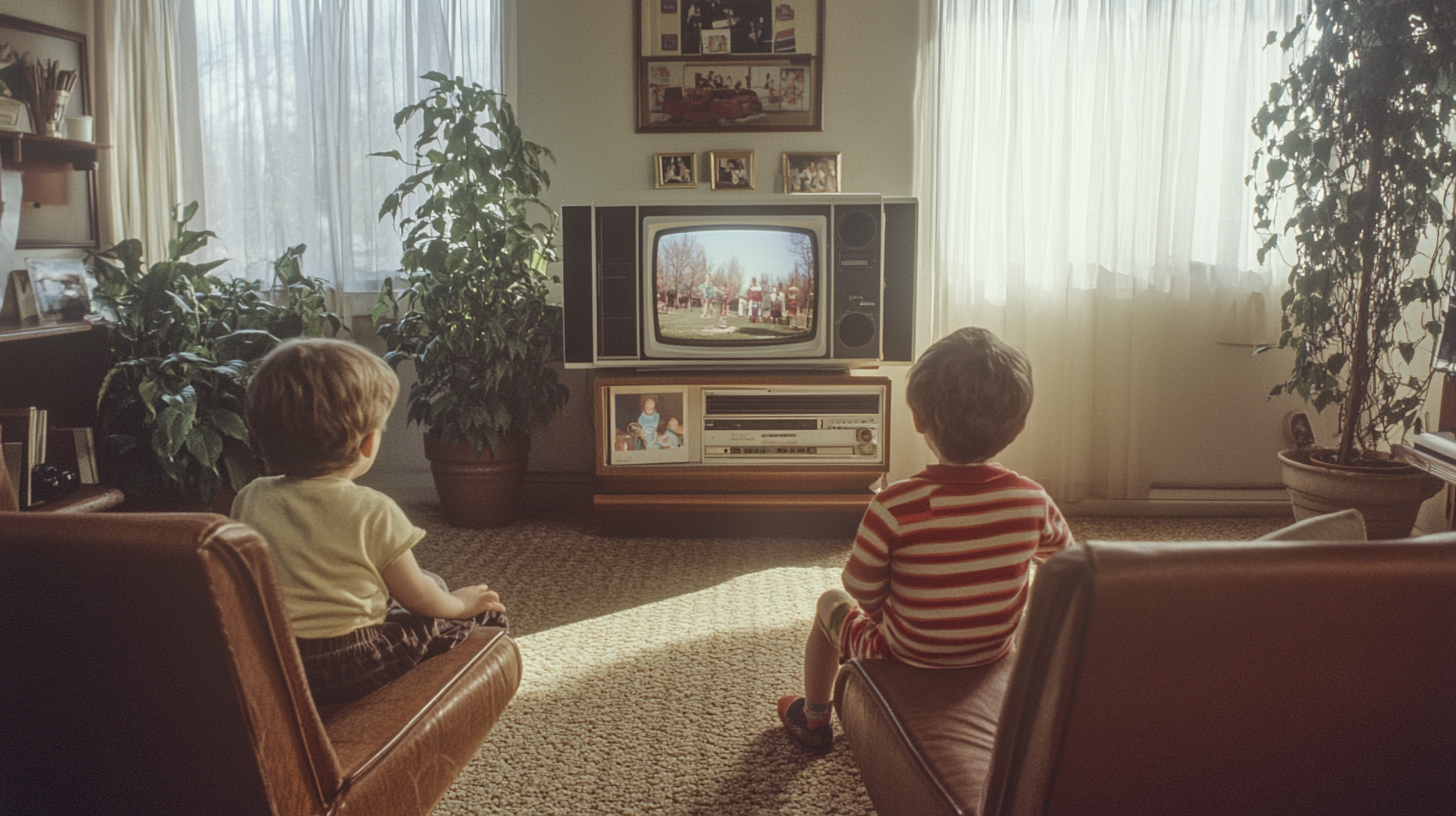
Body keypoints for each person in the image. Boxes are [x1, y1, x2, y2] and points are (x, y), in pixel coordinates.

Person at [776, 327, 1074, 750]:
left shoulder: (895, 505)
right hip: (993, 648)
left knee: (829, 605)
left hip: (906, 652)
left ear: (917, 420)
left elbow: (860, 588)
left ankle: (815, 718)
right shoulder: (1032, 500)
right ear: (1020, 426)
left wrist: (881, 615)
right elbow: (1067, 566)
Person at [231, 338, 507, 705]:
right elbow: (419, 598)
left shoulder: (250, 496)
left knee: (429, 582)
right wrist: (462, 603)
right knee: (474, 613)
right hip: (354, 661)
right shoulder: (373, 509)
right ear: (367, 444)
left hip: (276, 658)